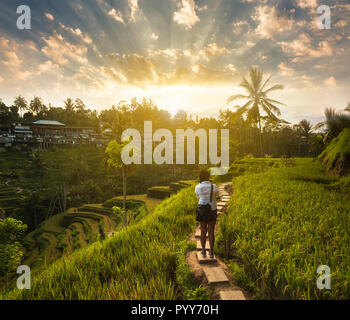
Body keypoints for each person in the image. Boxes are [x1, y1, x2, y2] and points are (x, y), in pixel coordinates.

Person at [195, 169, 219, 259]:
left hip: (202, 210)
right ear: (208, 177)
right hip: (212, 209)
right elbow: (217, 196)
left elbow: (198, 195)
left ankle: (204, 251)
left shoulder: (198, 187)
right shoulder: (214, 186)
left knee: (203, 231)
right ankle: (211, 252)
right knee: (211, 231)